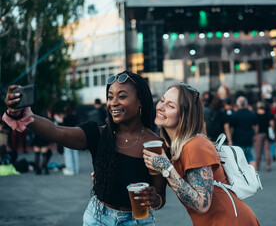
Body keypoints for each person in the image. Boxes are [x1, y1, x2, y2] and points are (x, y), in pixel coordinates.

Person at [3, 71, 167, 225]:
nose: (113, 103)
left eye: (122, 96)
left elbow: (160, 197)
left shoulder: (155, 144)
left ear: (141, 102)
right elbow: (56, 131)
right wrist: (22, 114)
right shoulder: (99, 134)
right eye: (110, 97)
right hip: (98, 218)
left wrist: (155, 199)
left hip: (137, 221)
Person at [143, 82, 260, 226]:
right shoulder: (172, 148)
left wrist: (166, 168)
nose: (160, 107)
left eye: (170, 106)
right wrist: (155, 199)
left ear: (184, 116)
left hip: (230, 221)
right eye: (162, 100)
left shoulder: (195, 145)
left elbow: (202, 204)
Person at [226, 96, 257, 167]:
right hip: (249, 138)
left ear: (237, 104)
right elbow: (255, 127)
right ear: (246, 103)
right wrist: (254, 135)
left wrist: (230, 139)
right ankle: (255, 174)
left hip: (238, 140)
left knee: (240, 160)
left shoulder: (234, 115)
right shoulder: (252, 114)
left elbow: (231, 129)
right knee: (251, 158)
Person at [254, 101, 274, 172]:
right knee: (267, 150)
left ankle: (257, 166)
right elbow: (272, 124)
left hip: (259, 134)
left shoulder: (255, 115)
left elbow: (255, 126)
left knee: (258, 151)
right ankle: (268, 165)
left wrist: (254, 134)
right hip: (267, 133)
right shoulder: (268, 114)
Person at [62, 101, 80, 176]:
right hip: (75, 135)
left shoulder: (67, 117)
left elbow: (63, 125)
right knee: (74, 153)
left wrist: (60, 120)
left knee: (68, 153)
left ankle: (70, 169)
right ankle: (75, 169)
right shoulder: (75, 115)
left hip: (67, 136)